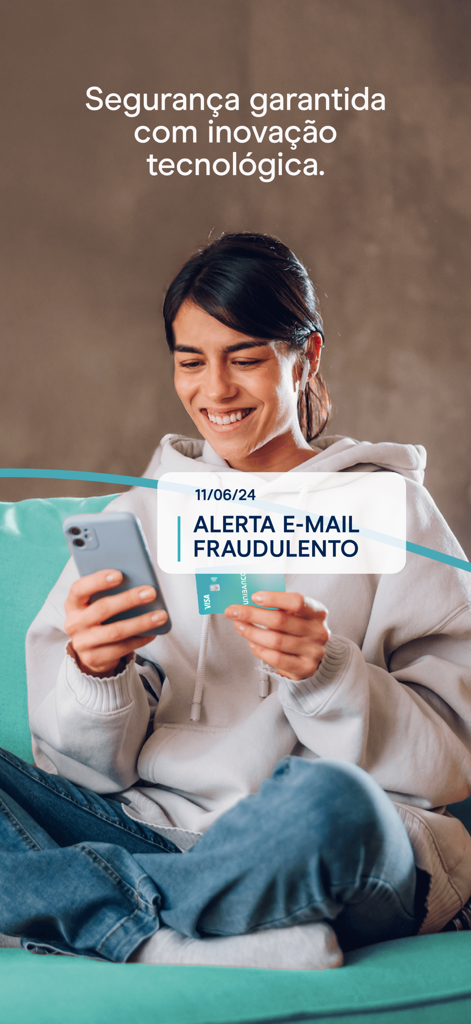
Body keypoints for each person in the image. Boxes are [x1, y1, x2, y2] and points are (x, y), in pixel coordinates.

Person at [1, 232, 471, 969]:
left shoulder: (393, 513)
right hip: (156, 833)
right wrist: (97, 674)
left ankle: (112, 917)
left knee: (331, 799)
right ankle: (177, 936)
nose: (214, 391)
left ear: (306, 357)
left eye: (245, 359)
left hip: (317, 839)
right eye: (191, 361)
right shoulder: (139, 518)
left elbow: (452, 757)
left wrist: (328, 672)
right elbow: (88, 778)